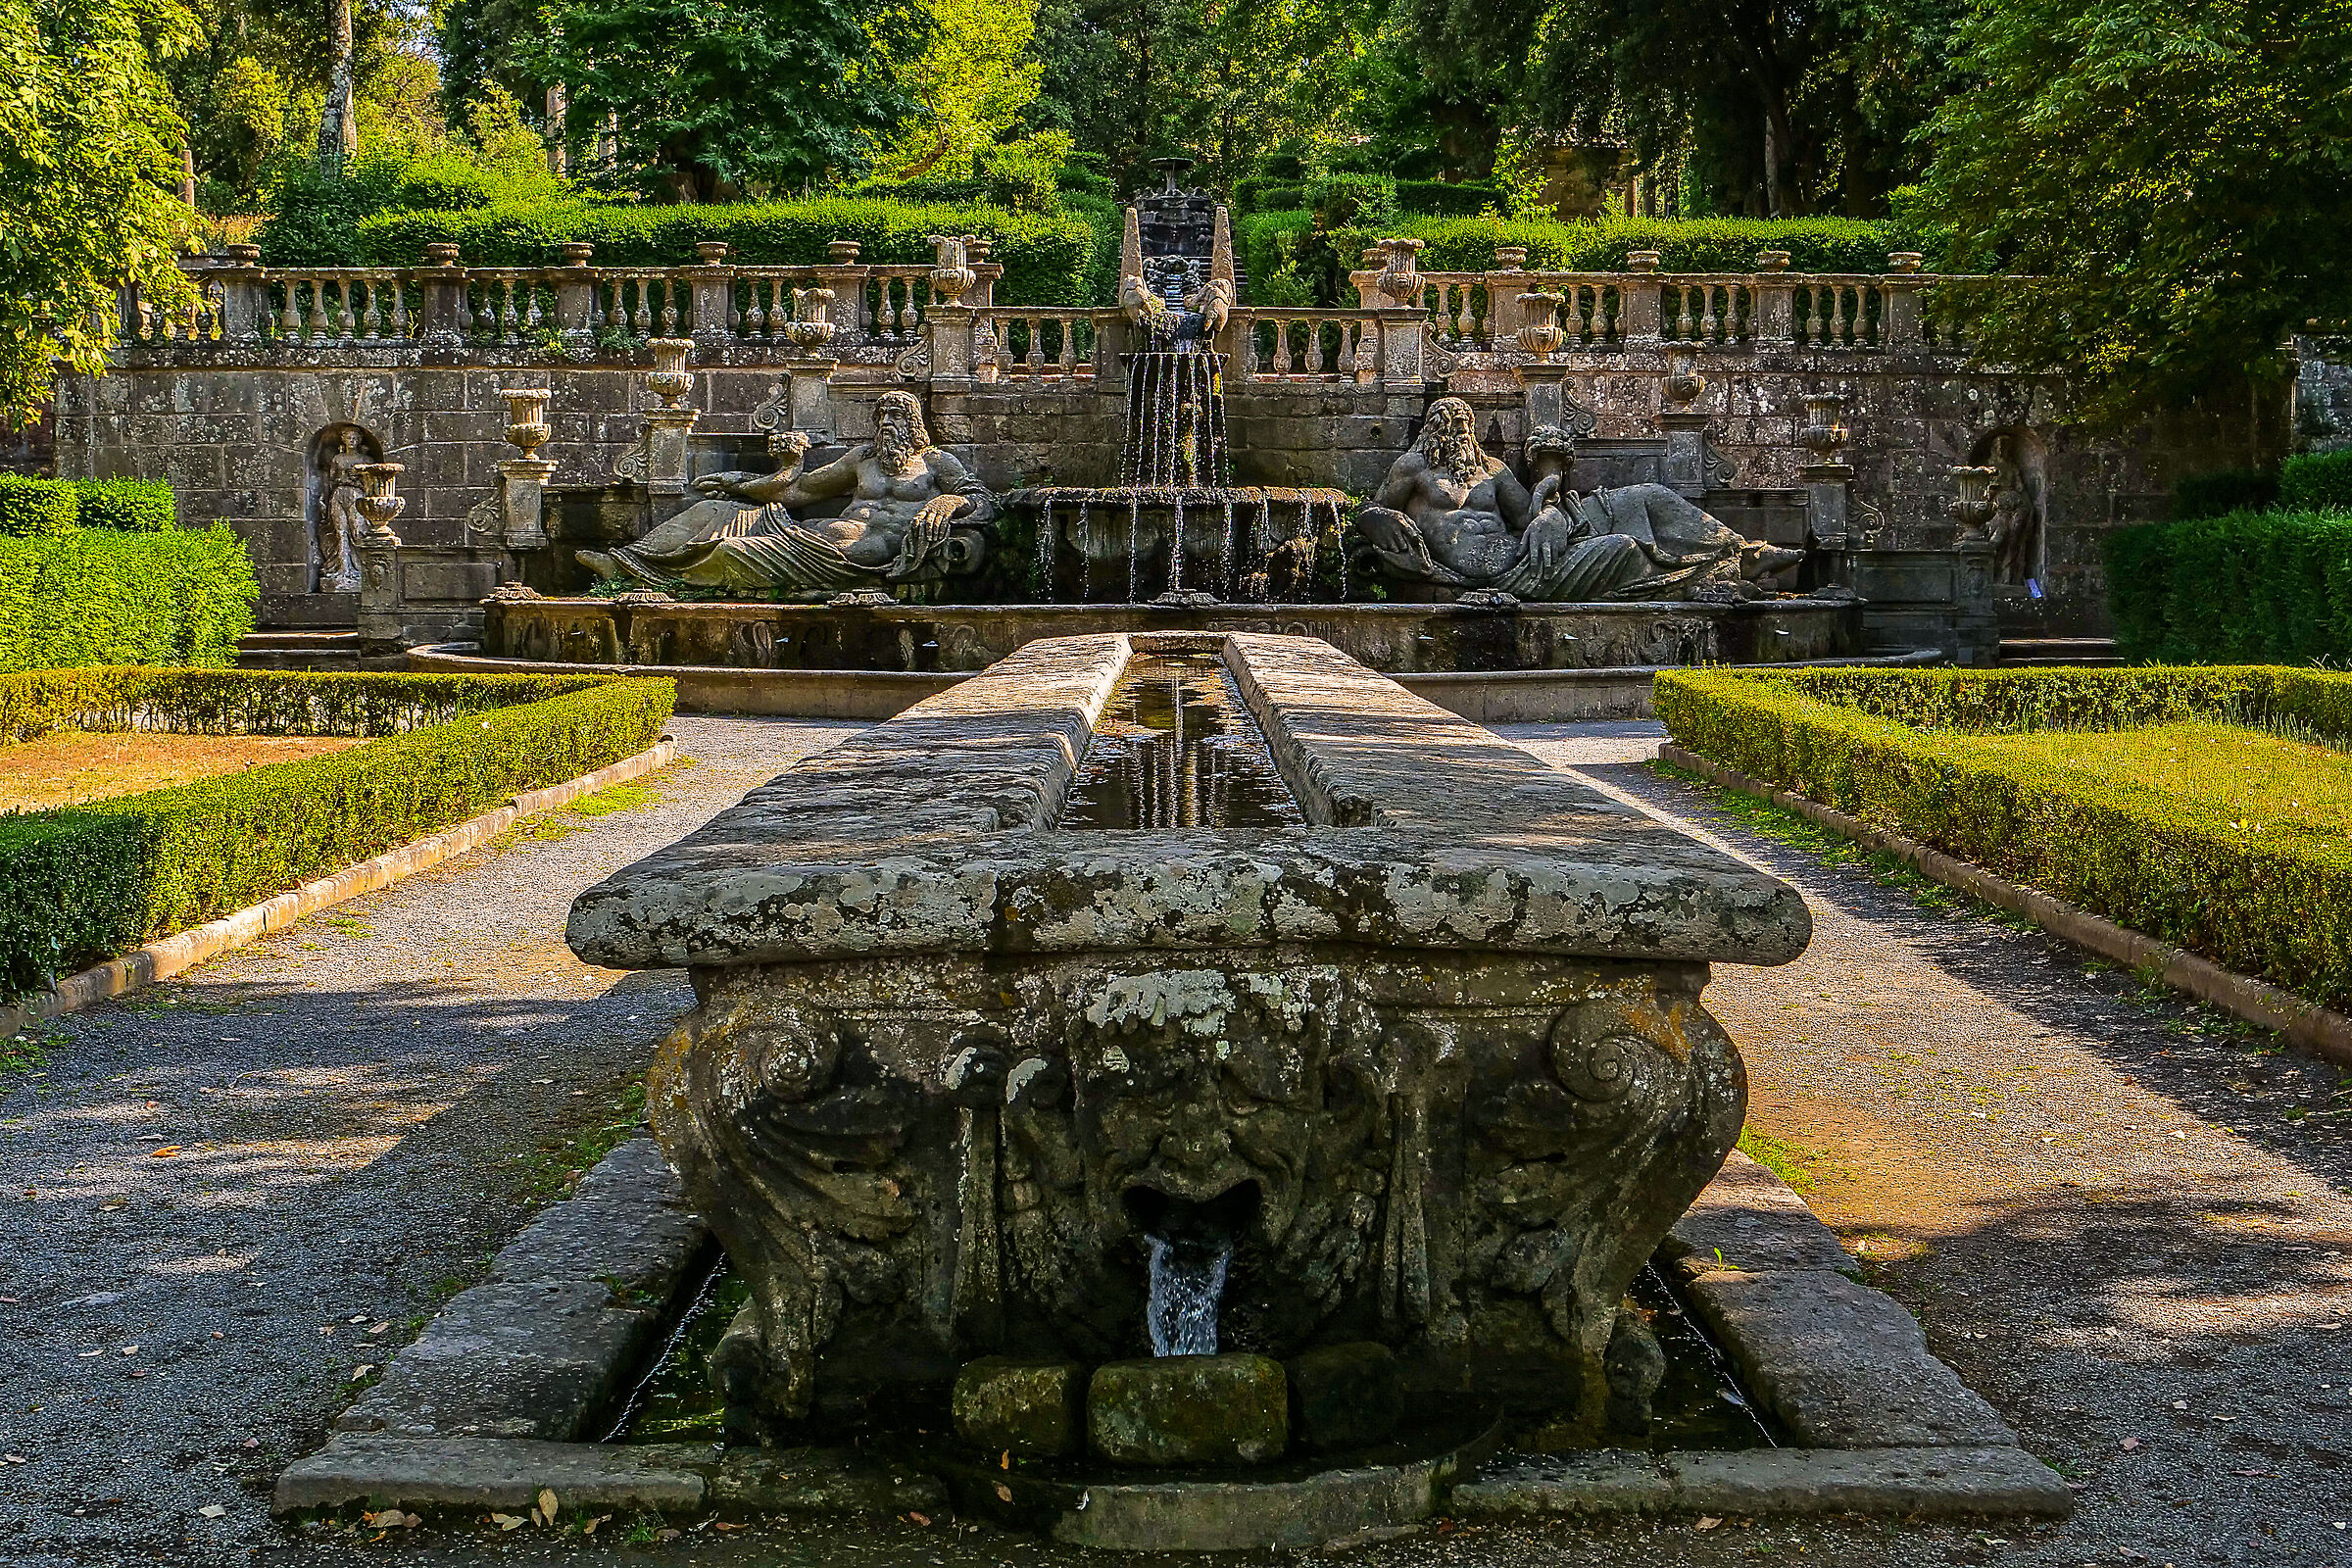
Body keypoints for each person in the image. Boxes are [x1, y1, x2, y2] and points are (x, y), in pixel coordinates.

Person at [1350, 398, 1799, 602]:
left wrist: (1546, 503)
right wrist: (1377, 520)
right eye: (1445, 426)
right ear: (1430, 431)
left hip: (1530, 551)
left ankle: (1742, 554)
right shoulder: (1414, 468)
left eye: (1462, 426)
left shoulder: (1492, 470)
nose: (1455, 434)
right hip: (1506, 577)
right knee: (1621, 548)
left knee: (1649, 495)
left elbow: (1529, 513)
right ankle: (1699, 576)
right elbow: (1369, 512)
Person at [577, 391, 995, 597]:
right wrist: (739, 482)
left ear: (914, 421)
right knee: (713, 508)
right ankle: (625, 564)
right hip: (803, 533)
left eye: (897, 415)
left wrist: (946, 501)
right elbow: (798, 491)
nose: (888, 422)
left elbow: (981, 500)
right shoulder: (861, 460)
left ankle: (661, 578)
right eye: (882, 415)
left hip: (855, 556)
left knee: (729, 552)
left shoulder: (937, 462)